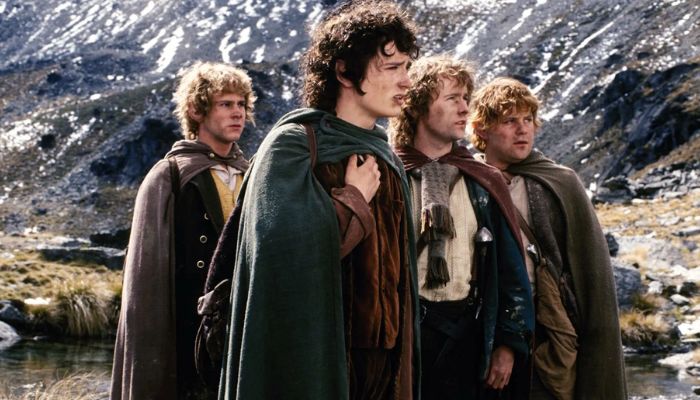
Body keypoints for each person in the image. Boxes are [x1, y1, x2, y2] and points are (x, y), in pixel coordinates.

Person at [208, 1, 420, 399]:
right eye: (392, 68)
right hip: (315, 357)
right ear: (344, 71)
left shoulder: (388, 158)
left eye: (407, 67)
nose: (407, 81)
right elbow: (278, 255)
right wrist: (353, 200)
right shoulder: (292, 147)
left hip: (383, 368)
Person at [470, 77, 627, 399]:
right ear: (482, 129)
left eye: (528, 120)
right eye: (509, 121)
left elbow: (590, 273)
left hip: (546, 334)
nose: (522, 130)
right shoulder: (467, 179)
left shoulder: (559, 182)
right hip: (476, 332)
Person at [389, 56, 534, 399]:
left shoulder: (482, 181)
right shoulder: (389, 175)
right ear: (418, 105)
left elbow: (510, 270)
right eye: (452, 98)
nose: (464, 108)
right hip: (401, 338)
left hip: (467, 337)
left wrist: (507, 345)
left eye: (466, 98)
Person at [110, 61, 255, 400]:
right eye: (225, 104)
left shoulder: (252, 174)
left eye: (241, 104)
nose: (237, 113)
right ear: (196, 110)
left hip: (242, 328)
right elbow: (146, 278)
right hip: (187, 332)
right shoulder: (169, 176)